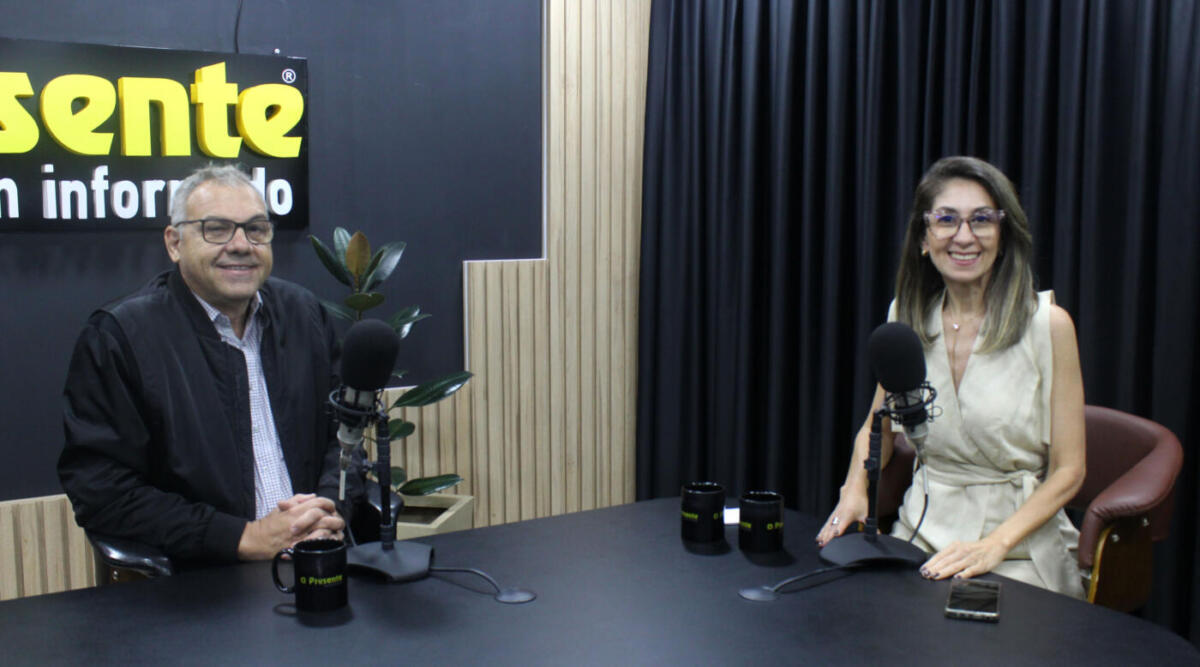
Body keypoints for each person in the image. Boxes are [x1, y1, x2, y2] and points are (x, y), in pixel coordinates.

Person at [59, 164, 358, 567]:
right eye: (216, 229)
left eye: (256, 229)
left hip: (319, 557)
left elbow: (344, 437)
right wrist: (242, 537)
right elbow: (102, 490)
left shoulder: (304, 315)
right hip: (206, 578)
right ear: (174, 243)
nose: (241, 245)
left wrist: (326, 513)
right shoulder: (120, 337)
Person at [815, 156, 1087, 598]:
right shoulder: (906, 316)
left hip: (1018, 546)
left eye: (981, 219)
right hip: (921, 532)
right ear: (924, 238)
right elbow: (877, 429)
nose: (964, 236)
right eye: (946, 219)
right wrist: (854, 488)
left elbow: (1070, 471)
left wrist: (994, 545)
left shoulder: (1049, 325)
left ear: (1003, 235)